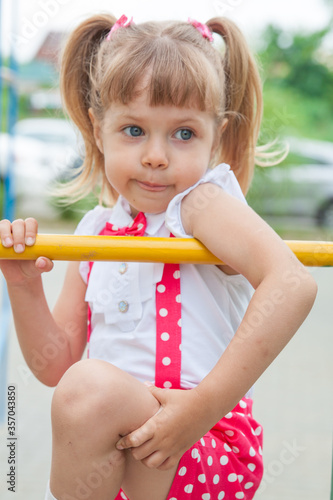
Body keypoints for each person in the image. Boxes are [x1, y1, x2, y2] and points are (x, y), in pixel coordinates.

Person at [0, 13, 317, 500]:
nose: (155, 155)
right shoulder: (96, 231)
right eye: (133, 130)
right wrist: (23, 286)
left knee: (90, 389)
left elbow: (292, 284)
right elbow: (57, 368)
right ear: (97, 127)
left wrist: (199, 411)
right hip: (122, 460)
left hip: (205, 442)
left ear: (218, 135)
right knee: (82, 389)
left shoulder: (201, 205)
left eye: (184, 134)